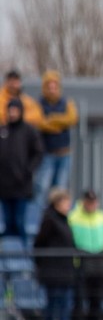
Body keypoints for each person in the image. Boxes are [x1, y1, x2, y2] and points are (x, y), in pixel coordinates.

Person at [67, 190, 103, 320]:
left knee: (96, 302)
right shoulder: (74, 217)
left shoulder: (102, 217)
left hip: (99, 263)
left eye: (94, 202)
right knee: (79, 302)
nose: (92, 205)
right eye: (89, 201)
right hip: (81, 264)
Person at [33, 188, 77, 320]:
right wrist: (44, 266)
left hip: (65, 271)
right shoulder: (50, 220)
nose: (69, 205)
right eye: (66, 202)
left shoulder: (65, 220)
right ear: (57, 202)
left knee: (65, 305)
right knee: (53, 305)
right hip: (53, 272)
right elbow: (38, 245)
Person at [0, 98, 44, 245]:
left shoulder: (29, 131)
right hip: (4, 188)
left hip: (21, 187)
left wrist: (27, 170)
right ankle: (7, 262)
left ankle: (24, 259)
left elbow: (38, 153)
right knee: (7, 225)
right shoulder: (3, 130)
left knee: (20, 224)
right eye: (10, 110)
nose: (12, 113)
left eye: (15, 110)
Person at [35, 70, 79, 212]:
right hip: (47, 153)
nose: (52, 89)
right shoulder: (39, 104)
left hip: (64, 153)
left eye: (55, 86)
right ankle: (41, 219)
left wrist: (53, 119)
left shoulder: (67, 102)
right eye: (49, 86)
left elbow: (72, 118)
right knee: (42, 188)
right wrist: (60, 122)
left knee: (61, 189)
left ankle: (59, 217)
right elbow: (40, 122)